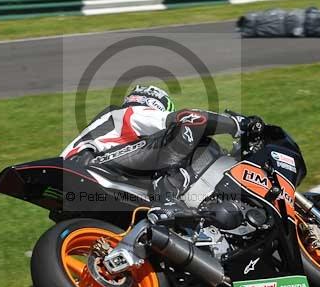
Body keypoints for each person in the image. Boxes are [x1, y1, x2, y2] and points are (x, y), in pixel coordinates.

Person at [60, 84, 263, 223]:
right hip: (85, 166)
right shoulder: (130, 113)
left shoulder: (115, 129)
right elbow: (192, 118)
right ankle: (166, 197)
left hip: (83, 178)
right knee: (198, 133)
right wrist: (239, 125)